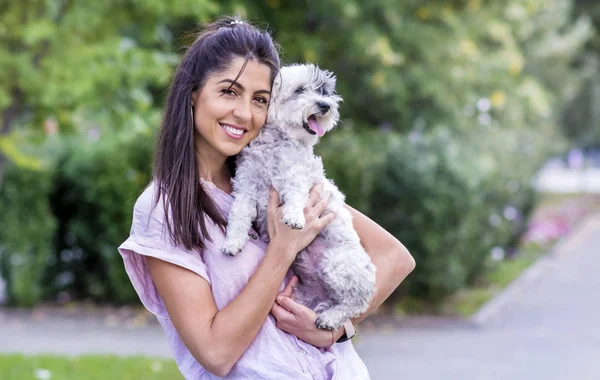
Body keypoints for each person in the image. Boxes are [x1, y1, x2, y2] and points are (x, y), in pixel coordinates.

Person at [118, 16, 415, 380]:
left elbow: (395, 258)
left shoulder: (279, 180)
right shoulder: (164, 209)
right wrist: (282, 249)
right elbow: (216, 353)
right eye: (229, 91)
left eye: (260, 99)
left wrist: (336, 329)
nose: (244, 113)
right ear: (194, 93)